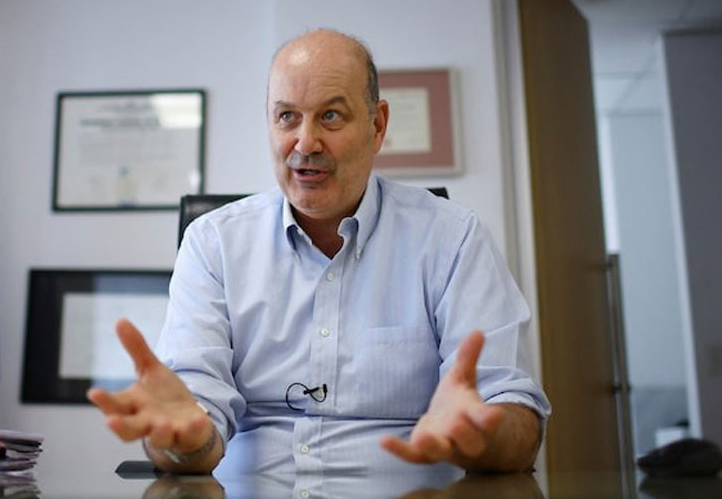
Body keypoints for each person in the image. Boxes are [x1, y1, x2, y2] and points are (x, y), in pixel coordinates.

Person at [88, 29, 550, 475]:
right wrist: (181, 441)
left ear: (377, 124)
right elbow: (193, 420)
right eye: (286, 116)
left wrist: (483, 433)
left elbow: (513, 416)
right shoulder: (213, 243)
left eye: (331, 116)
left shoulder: (454, 238)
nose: (305, 143)